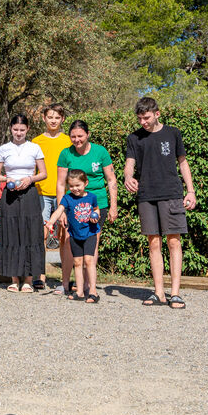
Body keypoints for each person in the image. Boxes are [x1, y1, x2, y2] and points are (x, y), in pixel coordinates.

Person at [123, 97, 197, 309]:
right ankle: (158, 293)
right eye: (139, 119)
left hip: (172, 193)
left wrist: (190, 191)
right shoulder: (134, 138)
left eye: (146, 118)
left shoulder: (173, 133)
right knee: (153, 243)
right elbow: (129, 164)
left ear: (157, 113)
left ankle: (175, 293)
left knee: (174, 241)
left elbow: (183, 163)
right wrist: (128, 178)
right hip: (146, 195)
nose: (143, 122)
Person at [50, 120, 119, 298]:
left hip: (96, 204)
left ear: (87, 134)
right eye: (73, 136)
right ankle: (65, 283)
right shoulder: (66, 154)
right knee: (67, 241)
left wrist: (113, 206)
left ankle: (88, 285)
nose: (77, 140)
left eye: (80, 136)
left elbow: (111, 180)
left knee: (92, 244)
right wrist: (62, 210)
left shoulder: (100, 151)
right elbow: (60, 184)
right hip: (72, 205)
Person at [0, 114, 47, 292]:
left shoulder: (35, 148)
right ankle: (14, 279)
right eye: (15, 129)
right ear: (11, 129)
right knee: (11, 233)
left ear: (28, 129)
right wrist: (7, 179)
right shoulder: (4, 149)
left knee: (30, 232)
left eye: (22, 130)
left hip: (29, 192)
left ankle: (29, 280)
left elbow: (43, 173)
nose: (18, 133)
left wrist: (30, 179)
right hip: (10, 193)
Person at [32, 103, 72, 291]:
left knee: (64, 235)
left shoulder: (68, 141)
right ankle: (39, 276)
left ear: (62, 119)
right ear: (44, 119)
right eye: (50, 117)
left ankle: (66, 278)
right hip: (42, 193)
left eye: (57, 117)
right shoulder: (36, 141)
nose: (53, 120)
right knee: (42, 235)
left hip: (64, 194)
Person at [48, 170, 101, 302]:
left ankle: (93, 291)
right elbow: (59, 210)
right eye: (71, 186)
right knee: (77, 262)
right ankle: (80, 292)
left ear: (85, 183)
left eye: (78, 185)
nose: (75, 189)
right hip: (75, 235)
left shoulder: (92, 197)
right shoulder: (67, 198)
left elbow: (96, 210)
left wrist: (97, 216)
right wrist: (50, 222)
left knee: (89, 260)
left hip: (90, 233)